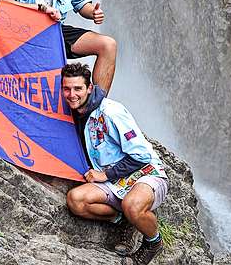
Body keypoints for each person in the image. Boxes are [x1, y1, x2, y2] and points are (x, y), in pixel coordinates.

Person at [62, 63, 168, 264]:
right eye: (67, 89)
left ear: (89, 88)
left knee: (133, 205)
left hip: (145, 173)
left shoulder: (111, 112)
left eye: (77, 88)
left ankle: (153, 241)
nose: (72, 94)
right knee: (76, 200)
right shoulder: (77, 113)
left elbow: (142, 156)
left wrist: (105, 175)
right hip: (115, 183)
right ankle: (123, 220)